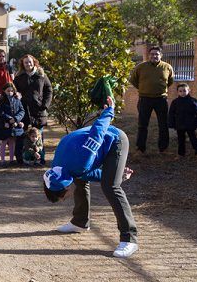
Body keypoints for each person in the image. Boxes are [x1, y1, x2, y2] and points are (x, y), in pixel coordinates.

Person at [42, 98, 139, 259]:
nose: (67, 198)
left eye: (64, 197)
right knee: (81, 180)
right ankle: (80, 222)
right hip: (92, 149)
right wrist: (117, 175)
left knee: (111, 187)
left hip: (115, 140)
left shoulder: (80, 162)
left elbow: (98, 132)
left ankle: (129, 239)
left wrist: (109, 111)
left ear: (65, 188)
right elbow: (89, 173)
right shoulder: (59, 168)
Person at [129, 46, 174, 154]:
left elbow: (170, 81)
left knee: (163, 124)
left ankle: (164, 148)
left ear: (161, 55)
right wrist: (143, 89)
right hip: (145, 99)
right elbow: (133, 80)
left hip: (161, 99)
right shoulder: (141, 67)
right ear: (149, 55)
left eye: (156, 54)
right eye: (152, 54)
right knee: (142, 125)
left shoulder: (167, 67)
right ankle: (140, 149)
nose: (154, 56)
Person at [10, 54, 52, 164]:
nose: (28, 64)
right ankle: (20, 159)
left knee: (38, 137)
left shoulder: (41, 75)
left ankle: (40, 159)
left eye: (30, 62)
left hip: (38, 111)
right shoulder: (19, 77)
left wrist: (45, 105)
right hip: (23, 111)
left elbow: (49, 90)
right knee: (21, 136)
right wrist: (17, 96)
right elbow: (14, 91)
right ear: (23, 65)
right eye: (26, 62)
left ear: (34, 62)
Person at [168, 83, 197, 158]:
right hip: (179, 124)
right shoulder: (175, 102)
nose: (182, 93)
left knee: (193, 138)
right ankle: (181, 153)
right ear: (177, 92)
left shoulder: (193, 101)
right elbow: (171, 113)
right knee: (181, 140)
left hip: (190, 124)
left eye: (184, 91)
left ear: (188, 90)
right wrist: (171, 123)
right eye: (180, 91)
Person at [0, 82, 25, 164]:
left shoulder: (17, 100)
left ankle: (11, 159)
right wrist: (8, 119)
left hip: (14, 125)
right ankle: (2, 160)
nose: (10, 92)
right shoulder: (1, 100)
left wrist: (16, 119)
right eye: (8, 91)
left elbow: (22, 111)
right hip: (4, 124)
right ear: (4, 91)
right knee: (3, 142)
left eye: (12, 91)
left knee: (12, 142)